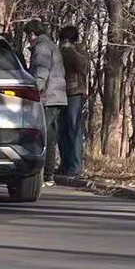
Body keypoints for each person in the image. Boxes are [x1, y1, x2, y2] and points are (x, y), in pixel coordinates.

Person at [24, 20, 67, 182]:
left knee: (44, 135)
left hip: (48, 97)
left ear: (32, 34)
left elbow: (41, 73)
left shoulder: (41, 48)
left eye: (28, 36)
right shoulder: (51, 46)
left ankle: (46, 174)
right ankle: (49, 173)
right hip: (58, 97)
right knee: (50, 135)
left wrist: (33, 91)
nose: (28, 40)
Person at [58, 25, 90, 177]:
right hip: (62, 93)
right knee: (62, 131)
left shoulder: (78, 51)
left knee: (74, 130)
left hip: (75, 93)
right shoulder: (62, 51)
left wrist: (70, 50)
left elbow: (83, 68)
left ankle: (75, 166)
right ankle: (65, 164)